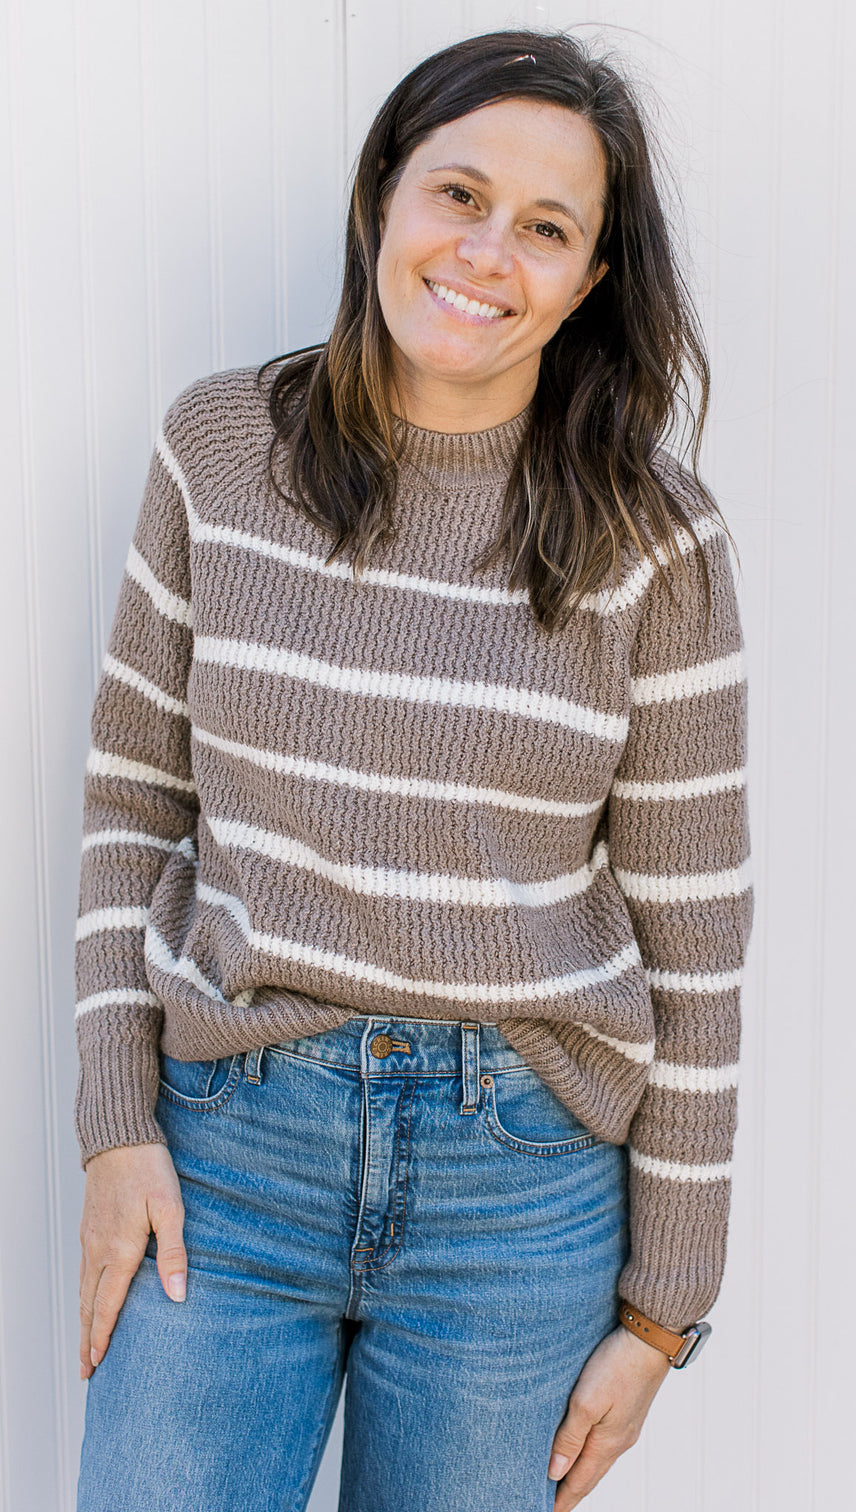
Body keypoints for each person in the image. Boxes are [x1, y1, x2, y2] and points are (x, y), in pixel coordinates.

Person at [72, 28, 753, 1512]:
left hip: (515, 1196)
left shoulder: (658, 541)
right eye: (458, 193)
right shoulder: (219, 451)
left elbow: (696, 943)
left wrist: (664, 1313)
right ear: (381, 192)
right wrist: (114, 1126)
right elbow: (133, 805)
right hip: (229, 1158)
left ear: (591, 279)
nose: (487, 252)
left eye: (548, 228)